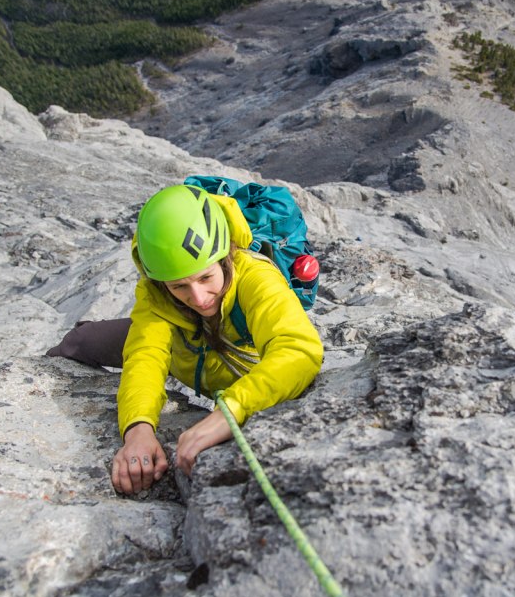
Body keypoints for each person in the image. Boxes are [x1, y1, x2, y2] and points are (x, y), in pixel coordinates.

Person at [47, 184, 324, 494]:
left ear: (227, 257)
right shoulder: (156, 293)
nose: (199, 297)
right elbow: (145, 359)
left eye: (206, 278)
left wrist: (229, 412)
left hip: (239, 374)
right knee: (83, 340)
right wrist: (137, 428)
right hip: (183, 352)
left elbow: (299, 349)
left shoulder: (256, 277)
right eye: (179, 286)